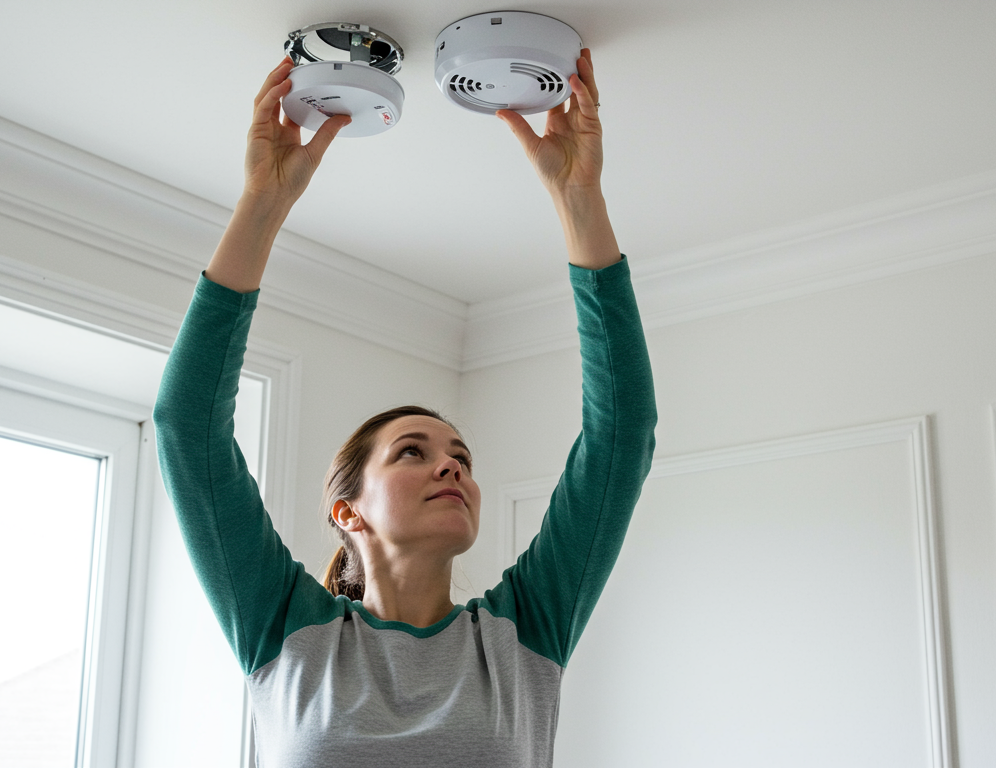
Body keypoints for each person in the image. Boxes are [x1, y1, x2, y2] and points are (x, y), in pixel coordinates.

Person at [153, 48, 656, 767]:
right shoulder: (285, 628)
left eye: (461, 458)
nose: (452, 469)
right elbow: (186, 427)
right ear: (347, 511)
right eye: (413, 451)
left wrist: (581, 202)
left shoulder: (525, 631)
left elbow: (622, 436)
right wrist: (262, 205)